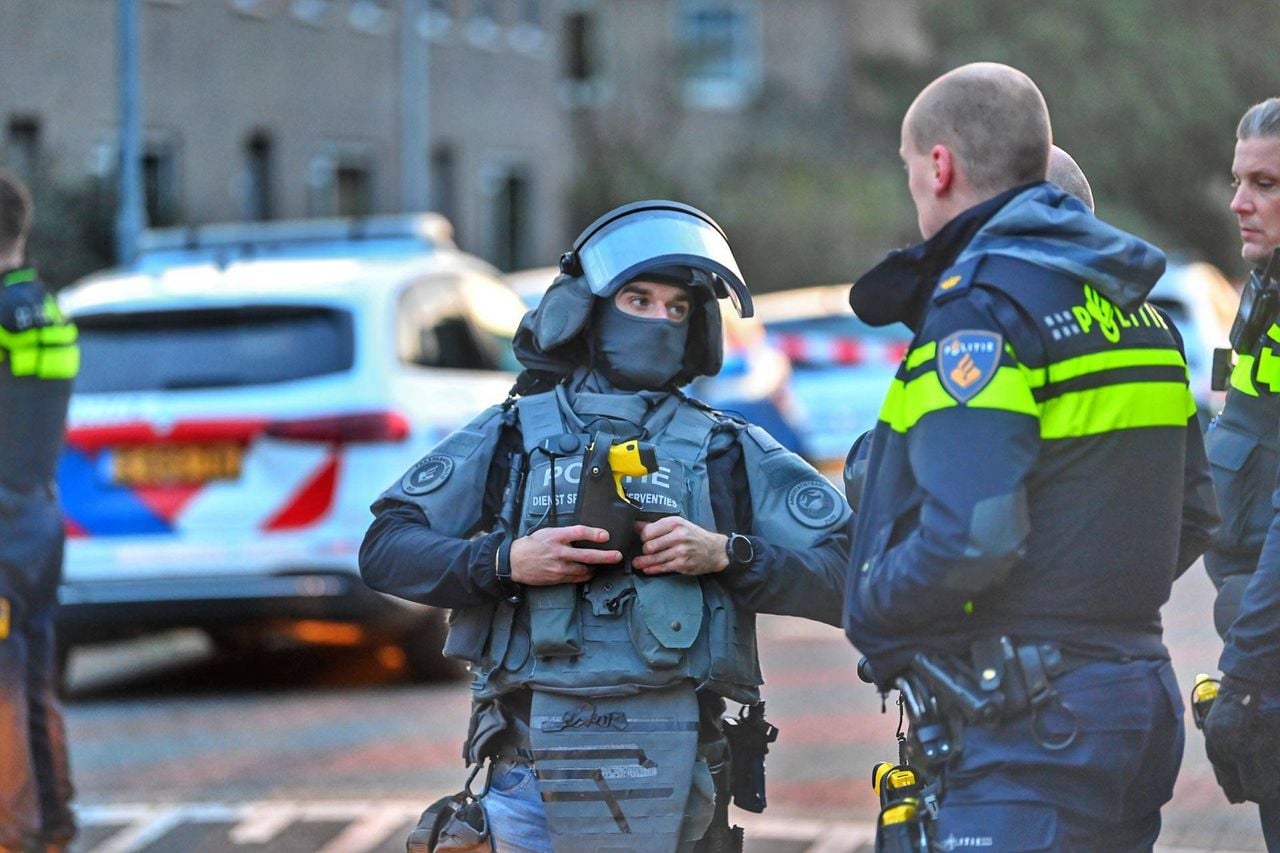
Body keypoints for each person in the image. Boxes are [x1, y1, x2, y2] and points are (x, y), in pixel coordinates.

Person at [360, 200, 850, 852]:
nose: (658, 320)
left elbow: (850, 574)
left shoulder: (727, 448)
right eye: (638, 299)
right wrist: (506, 562)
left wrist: (727, 554)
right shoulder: (513, 434)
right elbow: (386, 548)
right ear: (585, 309)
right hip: (528, 765)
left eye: (677, 308)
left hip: (681, 773)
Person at [842, 63, 1217, 849]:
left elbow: (971, 534)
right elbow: (1191, 515)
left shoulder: (979, 314)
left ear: (937, 165)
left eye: (911, 169)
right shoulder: (1144, 318)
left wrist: (873, 604)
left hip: (1030, 721)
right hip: (1135, 699)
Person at [1202, 97, 1280, 850]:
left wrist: (1252, 673)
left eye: (1266, 183)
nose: (1238, 202)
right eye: (1237, 179)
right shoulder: (1265, 284)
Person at [0, 169, 79, 853]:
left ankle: (14, 834)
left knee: (3, 686)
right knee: (34, 681)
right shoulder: (46, 307)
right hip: (39, 516)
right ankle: (53, 821)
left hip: (1, 523)